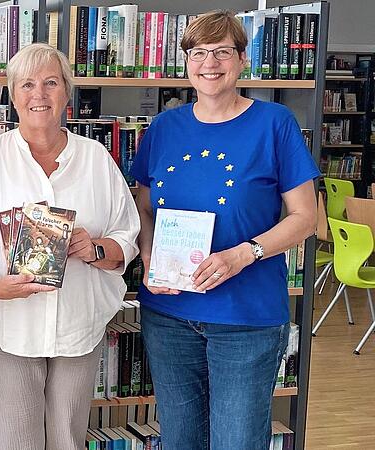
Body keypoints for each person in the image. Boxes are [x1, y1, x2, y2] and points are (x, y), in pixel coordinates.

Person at [129, 11, 319, 450]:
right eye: (198, 53)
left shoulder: (275, 124)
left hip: (246, 318)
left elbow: (304, 218)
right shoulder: (163, 128)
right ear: (186, 62)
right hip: (170, 316)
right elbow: (141, 204)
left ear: (241, 59)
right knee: (180, 440)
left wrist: (242, 254)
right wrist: (149, 253)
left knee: (236, 441)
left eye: (221, 52)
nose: (209, 63)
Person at [0, 43, 141, 449]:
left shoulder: (96, 159)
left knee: (67, 441)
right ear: (12, 95)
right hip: (7, 327)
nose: (39, 95)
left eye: (51, 83)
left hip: (78, 327)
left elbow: (128, 238)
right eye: (27, 85)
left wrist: (94, 249)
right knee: (12, 442)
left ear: (67, 94)